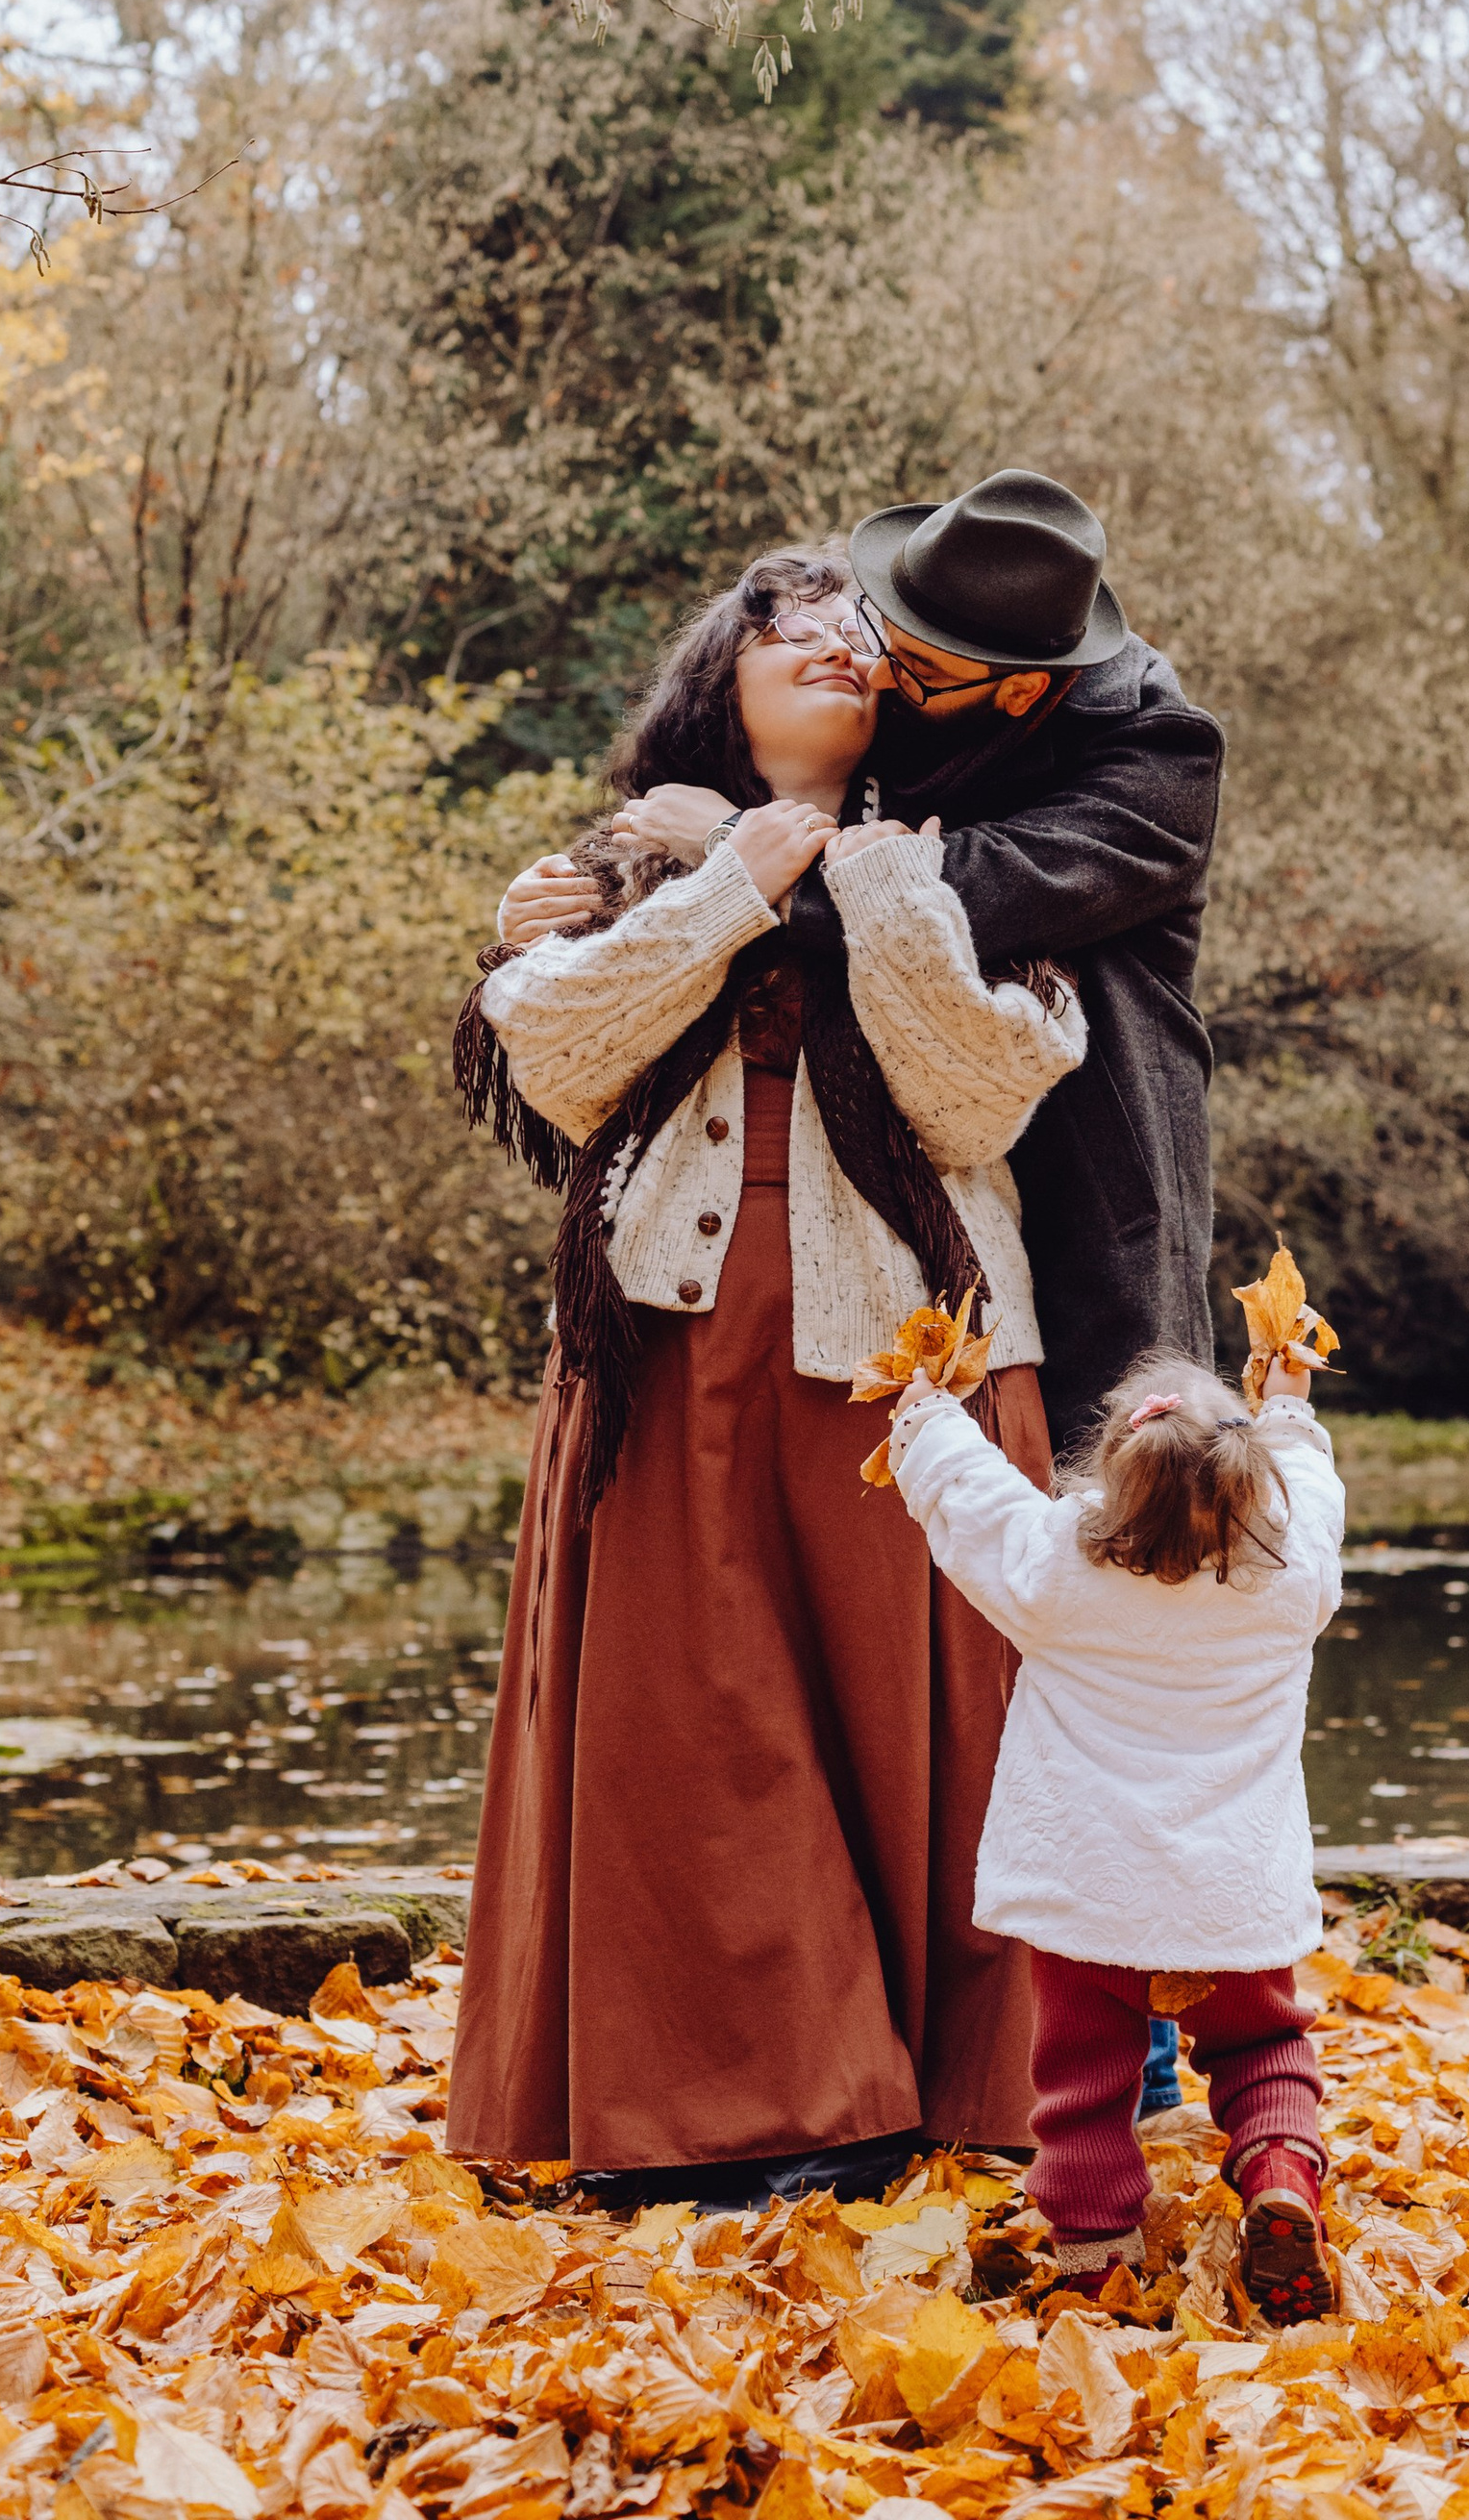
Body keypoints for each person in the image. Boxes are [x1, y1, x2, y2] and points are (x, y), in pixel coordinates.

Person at [445, 549, 1086, 2197]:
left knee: (926, 1712)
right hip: (668, 1338)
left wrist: (872, 888)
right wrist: (728, 883)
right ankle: (738, 2107)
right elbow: (555, 1046)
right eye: (783, 622)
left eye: (859, 629)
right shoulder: (624, 862)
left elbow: (980, 1095)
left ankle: (947, 2085)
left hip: (919, 1345)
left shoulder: (971, 858)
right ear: (714, 674)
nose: (830, 642)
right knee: (697, 1718)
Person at [499, 471, 1224, 1457]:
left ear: (1016, 688)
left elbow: (959, 888)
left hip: (1080, 1163)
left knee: (1110, 1485)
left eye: (904, 664)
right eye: (874, 630)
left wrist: (736, 846)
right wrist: (555, 912)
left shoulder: (1156, 758)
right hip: (802, 1230)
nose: (871, 669)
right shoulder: (909, 675)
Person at [884, 1345, 1346, 2325]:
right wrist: (1287, 1406)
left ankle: (1096, 2255)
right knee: (1265, 2047)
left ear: (1109, 1480)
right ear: (1250, 1484)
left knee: (1083, 2079)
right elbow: (1312, 1488)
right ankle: (1278, 2178)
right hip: (1232, 1895)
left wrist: (924, 1416)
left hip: (1089, 1893)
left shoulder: (1058, 1568)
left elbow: (973, 1503)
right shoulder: (1290, 1575)